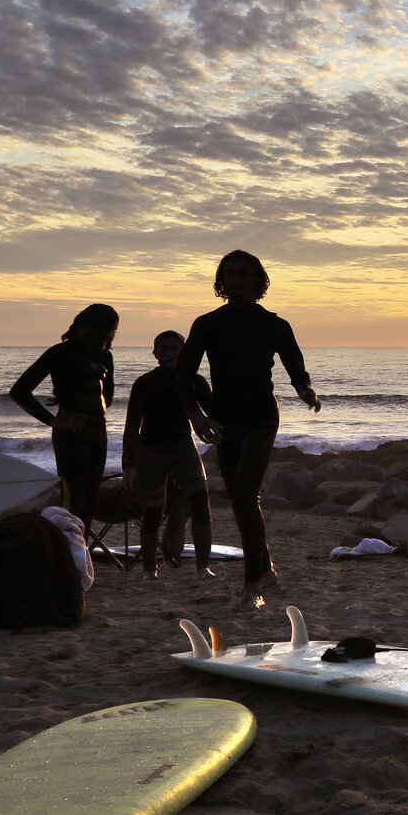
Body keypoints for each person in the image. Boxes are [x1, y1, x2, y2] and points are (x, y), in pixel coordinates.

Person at [178, 251, 320, 609]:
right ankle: (267, 570)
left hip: (260, 417)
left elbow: (295, 367)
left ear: (259, 281)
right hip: (223, 418)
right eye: (230, 274)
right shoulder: (207, 324)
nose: (237, 279)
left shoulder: (275, 324)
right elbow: (182, 376)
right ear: (220, 282)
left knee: (244, 496)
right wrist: (196, 415)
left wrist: (305, 390)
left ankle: (252, 587)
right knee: (244, 502)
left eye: (245, 273)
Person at [9, 304, 119, 533]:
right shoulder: (60, 353)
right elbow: (19, 391)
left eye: (105, 333)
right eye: (94, 332)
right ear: (79, 327)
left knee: (90, 501)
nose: (98, 338)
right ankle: (66, 554)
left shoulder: (105, 356)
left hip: (98, 435)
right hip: (72, 437)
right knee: (73, 502)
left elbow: (106, 397)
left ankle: (81, 555)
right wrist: (54, 420)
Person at [123, 330, 216, 579]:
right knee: (152, 511)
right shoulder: (144, 383)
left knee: (200, 504)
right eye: (163, 349)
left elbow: (216, 416)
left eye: (174, 348)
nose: (169, 353)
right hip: (151, 450)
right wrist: (129, 465)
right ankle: (149, 570)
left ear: (184, 351)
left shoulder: (195, 381)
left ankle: (203, 566)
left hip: (183, 446)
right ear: (155, 355)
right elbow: (132, 426)